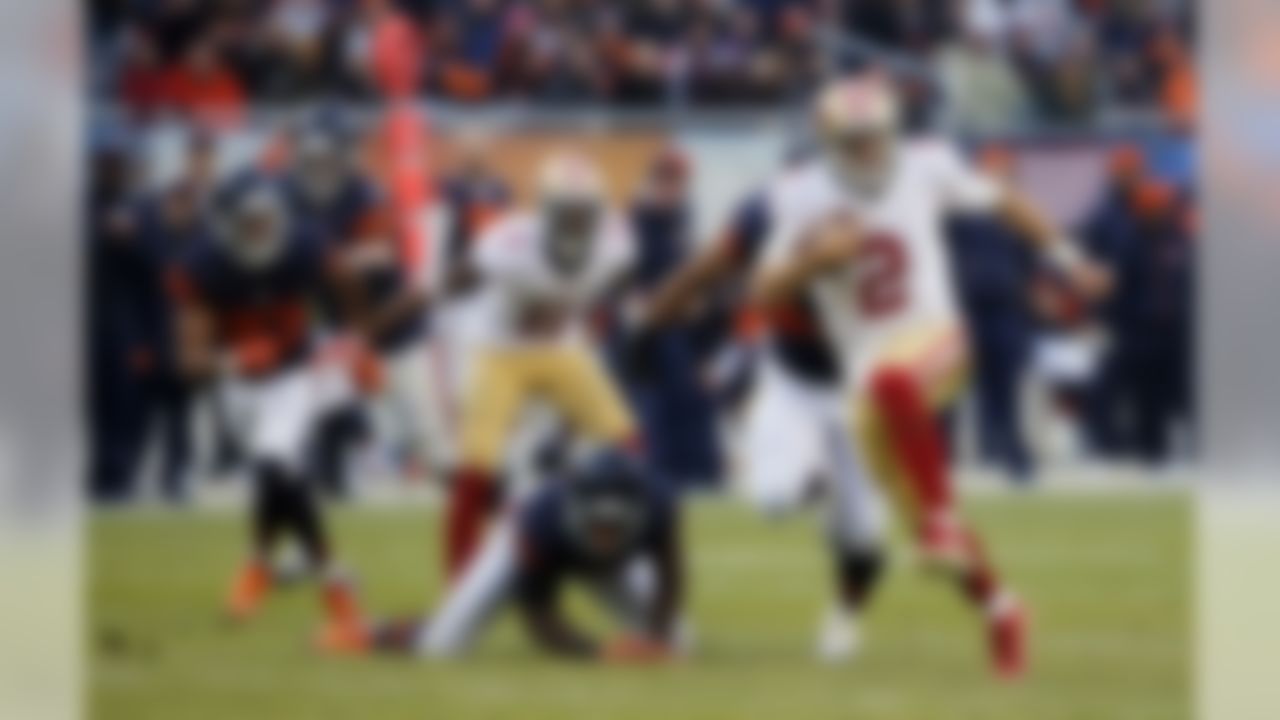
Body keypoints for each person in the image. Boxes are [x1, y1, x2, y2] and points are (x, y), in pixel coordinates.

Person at [749, 71, 1111, 678]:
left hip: (937, 338)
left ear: (893, 131)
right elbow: (762, 291)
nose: (867, 150)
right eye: (853, 139)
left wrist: (1069, 259)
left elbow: (1005, 201)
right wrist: (817, 260)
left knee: (903, 405)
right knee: (923, 534)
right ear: (828, 140)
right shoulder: (798, 194)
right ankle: (1003, 608)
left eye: (875, 136)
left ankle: (942, 519)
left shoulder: (928, 164)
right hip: (866, 376)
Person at [630, 168, 887, 662]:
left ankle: (843, 616)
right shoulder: (771, 208)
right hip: (793, 377)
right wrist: (650, 320)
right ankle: (818, 479)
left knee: (864, 540)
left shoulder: (896, 204)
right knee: (773, 499)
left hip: (862, 384)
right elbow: (706, 269)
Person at [168, 171, 365, 634]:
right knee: (271, 481)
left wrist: (355, 343)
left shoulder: (303, 245)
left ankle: (334, 582)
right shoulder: (205, 266)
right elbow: (188, 362)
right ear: (226, 225)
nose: (262, 230)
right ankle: (258, 563)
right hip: (238, 386)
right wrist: (231, 360)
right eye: (250, 222)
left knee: (278, 467)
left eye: (268, 220)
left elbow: (349, 286)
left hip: (295, 374)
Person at [443, 150, 640, 580]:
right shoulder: (508, 244)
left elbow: (621, 286)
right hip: (499, 351)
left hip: (562, 348)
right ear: (544, 211)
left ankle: (635, 557)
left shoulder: (615, 243)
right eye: (565, 213)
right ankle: (458, 580)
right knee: (476, 465)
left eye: (583, 213)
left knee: (629, 449)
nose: (575, 223)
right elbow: (454, 281)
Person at [322, 449, 685, 662]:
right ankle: (378, 632)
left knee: (679, 643)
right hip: (523, 547)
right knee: (443, 647)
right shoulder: (543, 518)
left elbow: (671, 577)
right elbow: (539, 614)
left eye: (615, 529)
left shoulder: (658, 505)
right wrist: (596, 653)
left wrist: (653, 639)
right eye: (598, 527)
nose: (605, 537)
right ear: (579, 510)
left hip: (607, 567)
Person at [947, 145, 1037, 483]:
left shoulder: (1016, 214)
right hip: (962, 308)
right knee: (948, 388)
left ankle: (1012, 456)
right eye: (998, 171)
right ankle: (943, 461)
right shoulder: (958, 211)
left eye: (1008, 171)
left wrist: (1028, 292)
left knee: (1005, 386)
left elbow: (1029, 258)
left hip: (1003, 307)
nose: (1005, 177)